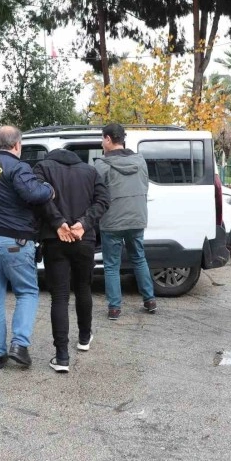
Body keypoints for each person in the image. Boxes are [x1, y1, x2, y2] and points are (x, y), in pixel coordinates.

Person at [0, 126, 55, 369]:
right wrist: (49, 189)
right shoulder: (18, 167)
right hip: (12, 242)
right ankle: (19, 344)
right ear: (17, 145)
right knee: (27, 292)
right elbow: (33, 193)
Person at [33, 149, 110, 373]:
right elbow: (104, 200)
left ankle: (62, 357)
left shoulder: (43, 168)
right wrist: (84, 223)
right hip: (83, 239)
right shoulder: (90, 171)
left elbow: (39, 198)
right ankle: (84, 338)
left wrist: (58, 223)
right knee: (83, 288)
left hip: (54, 239)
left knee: (59, 296)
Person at [94, 123, 156, 320]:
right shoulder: (140, 161)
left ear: (108, 139)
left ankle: (114, 308)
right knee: (139, 258)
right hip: (137, 219)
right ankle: (150, 300)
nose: (102, 143)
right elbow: (145, 186)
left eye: (102, 139)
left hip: (112, 221)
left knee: (112, 265)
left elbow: (96, 194)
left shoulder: (101, 165)